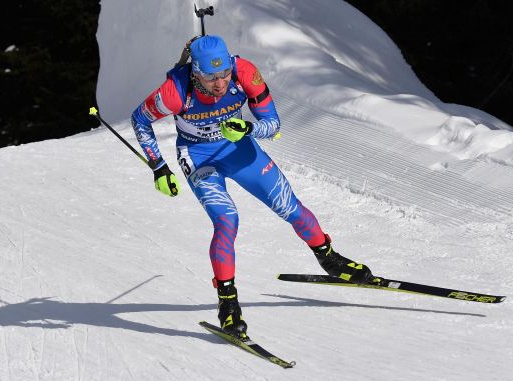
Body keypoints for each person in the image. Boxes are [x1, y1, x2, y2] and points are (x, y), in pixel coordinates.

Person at [130, 35, 374, 339]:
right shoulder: (176, 91)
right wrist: (159, 167)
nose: (219, 84)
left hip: (239, 149)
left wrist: (249, 128)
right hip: (199, 156)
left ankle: (329, 258)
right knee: (227, 220)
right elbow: (140, 120)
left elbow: (273, 124)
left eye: (223, 75)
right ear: (195, 73)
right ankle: (228, 304)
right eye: (209, 77)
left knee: (290, 207)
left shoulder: (244, 72)